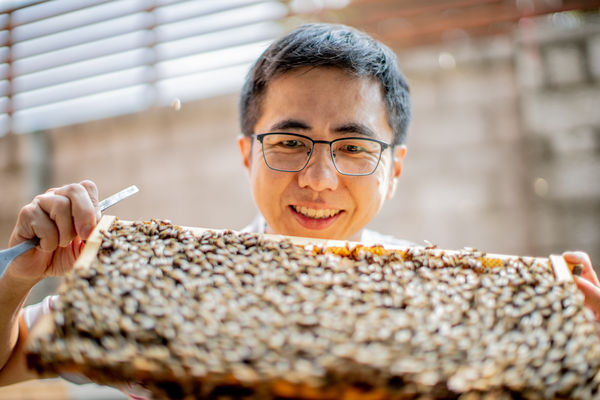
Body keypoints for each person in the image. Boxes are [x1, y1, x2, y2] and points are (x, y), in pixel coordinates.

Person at [0, 23, 598, 395]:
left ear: (394, 167)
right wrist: (17, 281)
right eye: (288, 142)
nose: (318, 178)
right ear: (247, 153)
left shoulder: (456, 310)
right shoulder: (159, 288)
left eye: (354, 147)